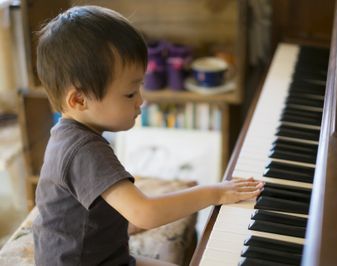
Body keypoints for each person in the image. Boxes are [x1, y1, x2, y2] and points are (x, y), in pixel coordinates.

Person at [32, 5, 263, 266]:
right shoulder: (83, 150)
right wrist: (215, 193)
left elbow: (100, 205)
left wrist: (121, 223)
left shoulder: (69, 134)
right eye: (130, 94)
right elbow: (145, 213)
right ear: (79, 99)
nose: (141, 101)